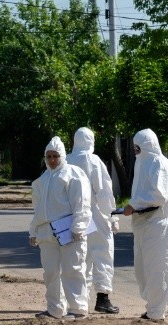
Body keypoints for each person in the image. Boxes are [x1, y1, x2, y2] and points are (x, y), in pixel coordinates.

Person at [29, 136, 93, 319]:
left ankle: (78, 309)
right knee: (50, 272)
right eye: (48, 156)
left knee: (73, 269)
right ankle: (55, 309)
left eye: (55, 156)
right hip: (47, 233)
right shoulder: (43, 179)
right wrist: (33, 230)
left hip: (69, 232)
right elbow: (38, 209)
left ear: (62, 156)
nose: (52, 160)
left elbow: (82, 203)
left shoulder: (73, 174)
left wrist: (79, 227)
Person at [122, 128, 168, 321]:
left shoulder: (161, 165)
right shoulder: (143, 163)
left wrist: (134, 205)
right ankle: (153, 306)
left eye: (138, 147)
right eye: (135, 147)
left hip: (157, 225)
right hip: (142, 224)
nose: (136, 151)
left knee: (157, 269)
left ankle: (156, 313)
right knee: (143, 270)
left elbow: (159, 195)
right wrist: (133, 206)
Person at [66, 127, 120, 314]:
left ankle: (79, 300)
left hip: (74, 215)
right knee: (102, 254)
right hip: (95, 214)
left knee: (80, 256)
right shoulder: (93, 161)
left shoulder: (66, 161)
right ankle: (102, 298)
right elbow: (104, 192)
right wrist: (111, 216)